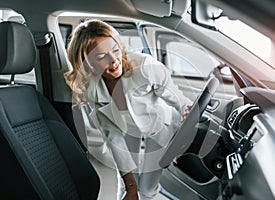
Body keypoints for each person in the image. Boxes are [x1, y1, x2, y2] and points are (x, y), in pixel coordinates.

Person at [65, 19, 192, 200]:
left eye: (115, 50)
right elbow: (113, 137)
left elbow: (177, 98)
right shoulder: (92, 89)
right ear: (88, 63)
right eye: (101, 57)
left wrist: (187, 111)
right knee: (126, 186)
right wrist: (130, 186)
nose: (114, 61)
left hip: (160, 125)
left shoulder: (145, 67)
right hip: (125, 129)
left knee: (147, 188)